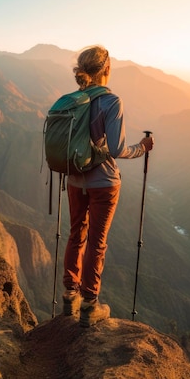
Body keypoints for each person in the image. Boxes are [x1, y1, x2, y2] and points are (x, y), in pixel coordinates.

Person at [62, 45, 154, 327]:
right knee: (97, 243)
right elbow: (116, 149)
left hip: (75, 180)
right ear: (107, 70)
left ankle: (69, 295)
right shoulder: (111, 102)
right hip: (104, 183)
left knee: (76, 233)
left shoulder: (71, 101)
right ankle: (90, 304)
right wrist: (141, 148)